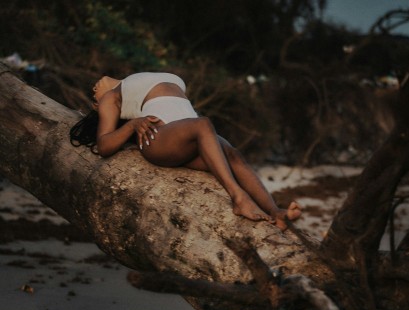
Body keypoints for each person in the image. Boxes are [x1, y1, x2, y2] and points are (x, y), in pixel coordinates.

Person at [70, 72, 301, 230]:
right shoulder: (112, 97)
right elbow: (104, 145)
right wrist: (131, 124)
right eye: (93, 97)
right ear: (97, 105)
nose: (94, 88)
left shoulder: (134, 80)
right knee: (203, 123)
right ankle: (238, 198)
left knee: (233, 154)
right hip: (158, 139)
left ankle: (275, 211)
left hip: (187, 137)